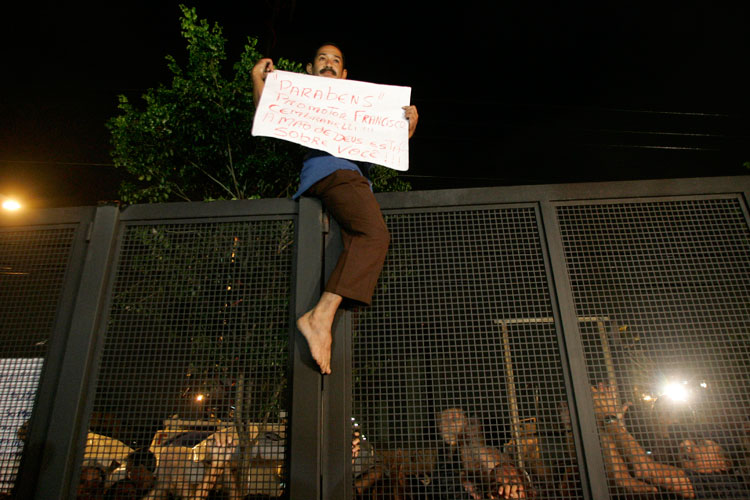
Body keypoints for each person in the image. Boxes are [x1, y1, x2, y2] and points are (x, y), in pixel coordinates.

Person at [251, 43, 419, 374]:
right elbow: (269, 115)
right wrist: (258, 80)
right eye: (321, 59)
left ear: (344, 74)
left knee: (362, 241)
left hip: (353, 181)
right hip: (332, 173)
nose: (328, 63)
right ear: (310, 71)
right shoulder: (308, 99)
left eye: (336, 60)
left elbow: (381, 148)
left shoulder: (359, 107)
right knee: (375, 236)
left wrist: (405, 131)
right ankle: (319, 316)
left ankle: (324, 318)